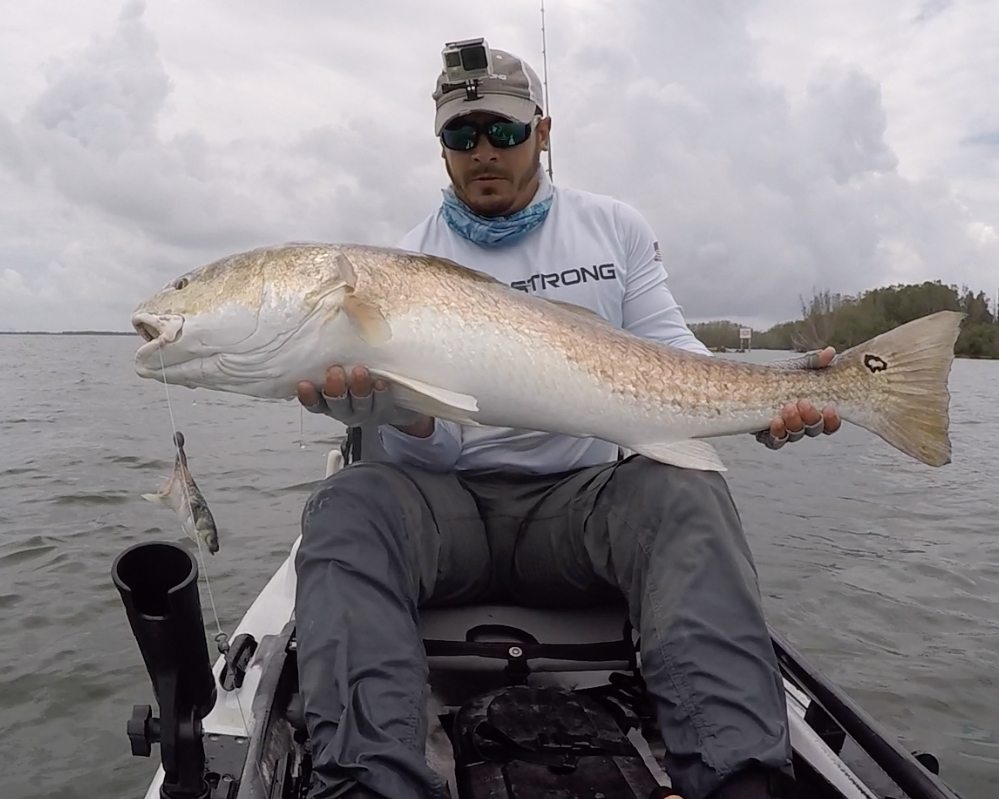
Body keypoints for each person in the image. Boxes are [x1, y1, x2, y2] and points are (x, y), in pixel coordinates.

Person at [293, 43, 841, 799]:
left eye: (504, 133)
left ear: (542, 133)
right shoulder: (402, 263)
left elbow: (670, 352)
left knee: (686, 494)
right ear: (441, 147)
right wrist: (394, 415)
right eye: (460, 136)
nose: (482, 152)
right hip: (443, 513)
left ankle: (737, 779)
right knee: (344, 506)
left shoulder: (612, 230)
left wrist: (769, 396)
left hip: (575, 509)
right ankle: (367, 782)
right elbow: (429, 435)